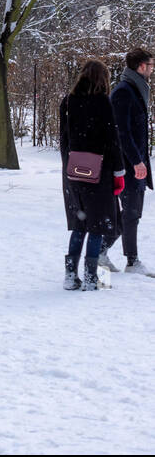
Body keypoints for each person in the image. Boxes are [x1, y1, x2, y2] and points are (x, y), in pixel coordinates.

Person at [60, 59, 125, 290]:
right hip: (99, 173)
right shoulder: (102, 103)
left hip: (74, 172)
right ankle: (90, 278)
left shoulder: (68, 102)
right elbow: (112, 139)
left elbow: (64, 140)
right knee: (97, 226)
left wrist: (68, 167)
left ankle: (70, 276)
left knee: (79, 225)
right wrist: (119, 169)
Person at [103, 48, 154, 275]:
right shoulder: (124, 91)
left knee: (132, 212)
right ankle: (129, 260)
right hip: (126, 165)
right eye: (151, 66)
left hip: (136, 163)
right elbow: (121, 132)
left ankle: (103, 253)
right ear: (141, 66)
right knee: (130, 212)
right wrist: (136, 162)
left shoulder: (136, 89)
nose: (152, 70)